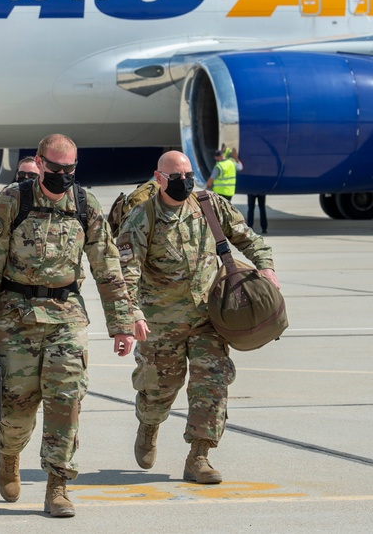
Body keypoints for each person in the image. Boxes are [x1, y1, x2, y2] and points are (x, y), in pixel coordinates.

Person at [0, 133, 140, 518]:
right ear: (40, 163)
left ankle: (58, 485)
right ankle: (9, 453)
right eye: (56, 168)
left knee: (67, 400)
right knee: (17, 407)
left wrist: (122, 324)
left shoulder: (85, 204)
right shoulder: (13, 200)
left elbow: (108, 267)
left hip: (66, 316)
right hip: (16, 316)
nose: (63, 175)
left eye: (70, 169)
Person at [116, 150, 278, 486]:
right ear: (159, 179)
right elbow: (126, 270)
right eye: (176, 177)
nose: (184, 182)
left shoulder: (209, 204)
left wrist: (265, 265)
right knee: (159, 390)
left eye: (188, 175)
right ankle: (149, 425)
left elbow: (245, 236)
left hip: (210, 319)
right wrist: (132, 314)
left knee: (212, 385)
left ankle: (199, 456)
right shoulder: (142, 216)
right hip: (161, 324)